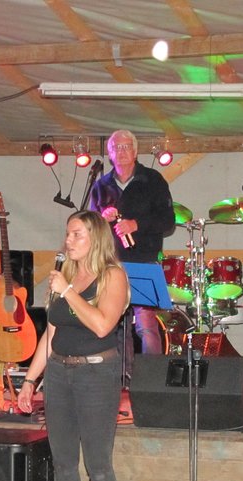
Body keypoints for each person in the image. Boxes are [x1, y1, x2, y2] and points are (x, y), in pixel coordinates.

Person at [16, 210, 129, 481]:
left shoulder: (112, 276)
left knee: (98, 465)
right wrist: (30, 380)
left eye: (77, 234)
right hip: (59, 374)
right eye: (67, 234)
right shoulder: (65, 274)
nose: (69, 240)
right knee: (63, 463)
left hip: (96, 374)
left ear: (96, 238)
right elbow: (51, 334)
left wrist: (67, 291)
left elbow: (101, 325)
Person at [89, 130, 175, 370]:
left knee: (146, 326)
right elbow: (90, 229)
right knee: (114, 326)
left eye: (126, 146)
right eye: (116, 147)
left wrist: (136, 224)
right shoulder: (101, 185)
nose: (122, 151)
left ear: (136, 151)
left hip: (143, 261)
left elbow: (168, 220)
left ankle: (152, 377)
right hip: (111, 263)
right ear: (109, 153)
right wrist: (102, 218)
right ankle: (119, 377)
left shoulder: (153, 180)